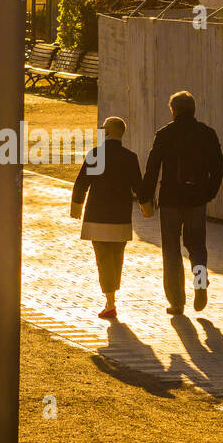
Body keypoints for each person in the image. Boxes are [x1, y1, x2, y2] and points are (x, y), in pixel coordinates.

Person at [140, 90, 223, 316]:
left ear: (173, 110)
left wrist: (145, 197)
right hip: (196, 198)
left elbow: (152, 168)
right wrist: (208, 194)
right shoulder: (207, 133)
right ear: (193, 109)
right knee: (197, 244)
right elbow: (218, 169)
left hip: (170, 199)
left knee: (171, 249)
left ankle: (177, 302)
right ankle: (200, 282)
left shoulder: (165, 134)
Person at [71, 117, 152, 319]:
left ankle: (110, 301)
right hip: (121, 215)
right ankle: (112, 293)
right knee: (117, 257)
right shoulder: (130, 157)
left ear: (106, 132)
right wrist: (146, 207)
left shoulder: (96, 155)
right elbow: (138, 185)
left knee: (103, 258)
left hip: (97, 215)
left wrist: (76, 207)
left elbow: (82, 183)